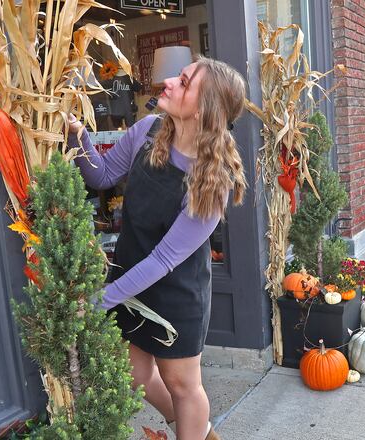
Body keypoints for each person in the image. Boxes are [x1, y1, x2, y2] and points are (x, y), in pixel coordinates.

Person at [67, 56, 247, 440]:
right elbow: (101, 174)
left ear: (203, 109)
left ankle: (191, 429)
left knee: (182, 384)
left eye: (183, 82)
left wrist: (102, 299)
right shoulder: (148, 130)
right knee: (136, 374)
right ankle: (196, 430)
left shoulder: (212, 182)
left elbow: (164, 260)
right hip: (130, 277)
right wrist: (77, 133)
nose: (168, 81)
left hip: (174, 294)